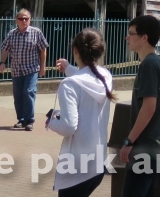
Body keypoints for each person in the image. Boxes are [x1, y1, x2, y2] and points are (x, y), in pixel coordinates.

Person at [49, 28, 116, 197]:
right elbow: (87, 78)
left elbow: (68, 126)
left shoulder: (69, 84)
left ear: (76, 50)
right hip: (97, 163)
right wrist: (68, 68)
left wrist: (51, 121)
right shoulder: (106, 76)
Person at [119, 15, 160, 197]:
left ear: (144, 37)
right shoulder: (158, 64)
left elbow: (149, 107)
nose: (127, 37)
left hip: (145, 148)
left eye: (131, 33)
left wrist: (129, 141)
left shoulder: (148, 65)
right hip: (157, 146)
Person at [0, 8, 49, 130]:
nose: (24, 21)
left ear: (30, 20)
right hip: (16, 69)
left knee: (28, 91)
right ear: (16, 20)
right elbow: (5, 48)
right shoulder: (12, 34)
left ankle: (30, 120)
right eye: (21, 18)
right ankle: (21, 119)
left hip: (31, 69)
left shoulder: (36, 32)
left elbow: (43, 49)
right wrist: (2, 62)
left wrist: (42, 67)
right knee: (18, 95)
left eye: (26, 18)